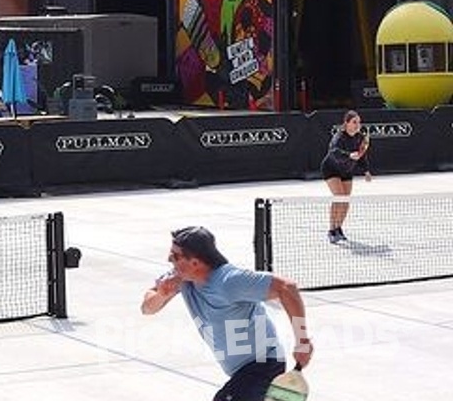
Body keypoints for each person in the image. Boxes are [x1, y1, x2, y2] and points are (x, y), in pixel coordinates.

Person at [141, 226, 312, 401]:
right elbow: (147, 308)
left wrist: (302, 340)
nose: (169, 259)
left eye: (176, 256)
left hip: (263, 364)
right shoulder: (180, 278)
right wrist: (162, 295)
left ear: (195, 262)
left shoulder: (229, 281)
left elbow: (287, 288)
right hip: (243, 372)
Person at [320, 109, 372, 243]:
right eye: (354, 122)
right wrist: (349, 155)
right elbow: (334, 152)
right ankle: (331, 230)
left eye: (359, 122)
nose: (357, 125)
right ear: (346, 123)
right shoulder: (339, 136)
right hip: (331, 169)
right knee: (339, 198)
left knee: (346, 202)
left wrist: (366, 171)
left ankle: (339, 228)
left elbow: (362, 155)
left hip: (347, 170)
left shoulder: (360, 137)